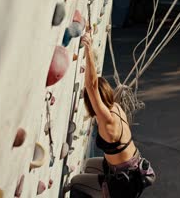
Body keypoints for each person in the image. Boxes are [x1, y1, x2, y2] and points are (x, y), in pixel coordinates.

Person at [66, 32, 155, 198]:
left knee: (77, 182)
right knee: (90, 165)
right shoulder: (115, 106)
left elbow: (92, 85)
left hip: (124, 183)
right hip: (130, 168)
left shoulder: (107, 119)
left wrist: (88, 49)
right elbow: (95, 85)